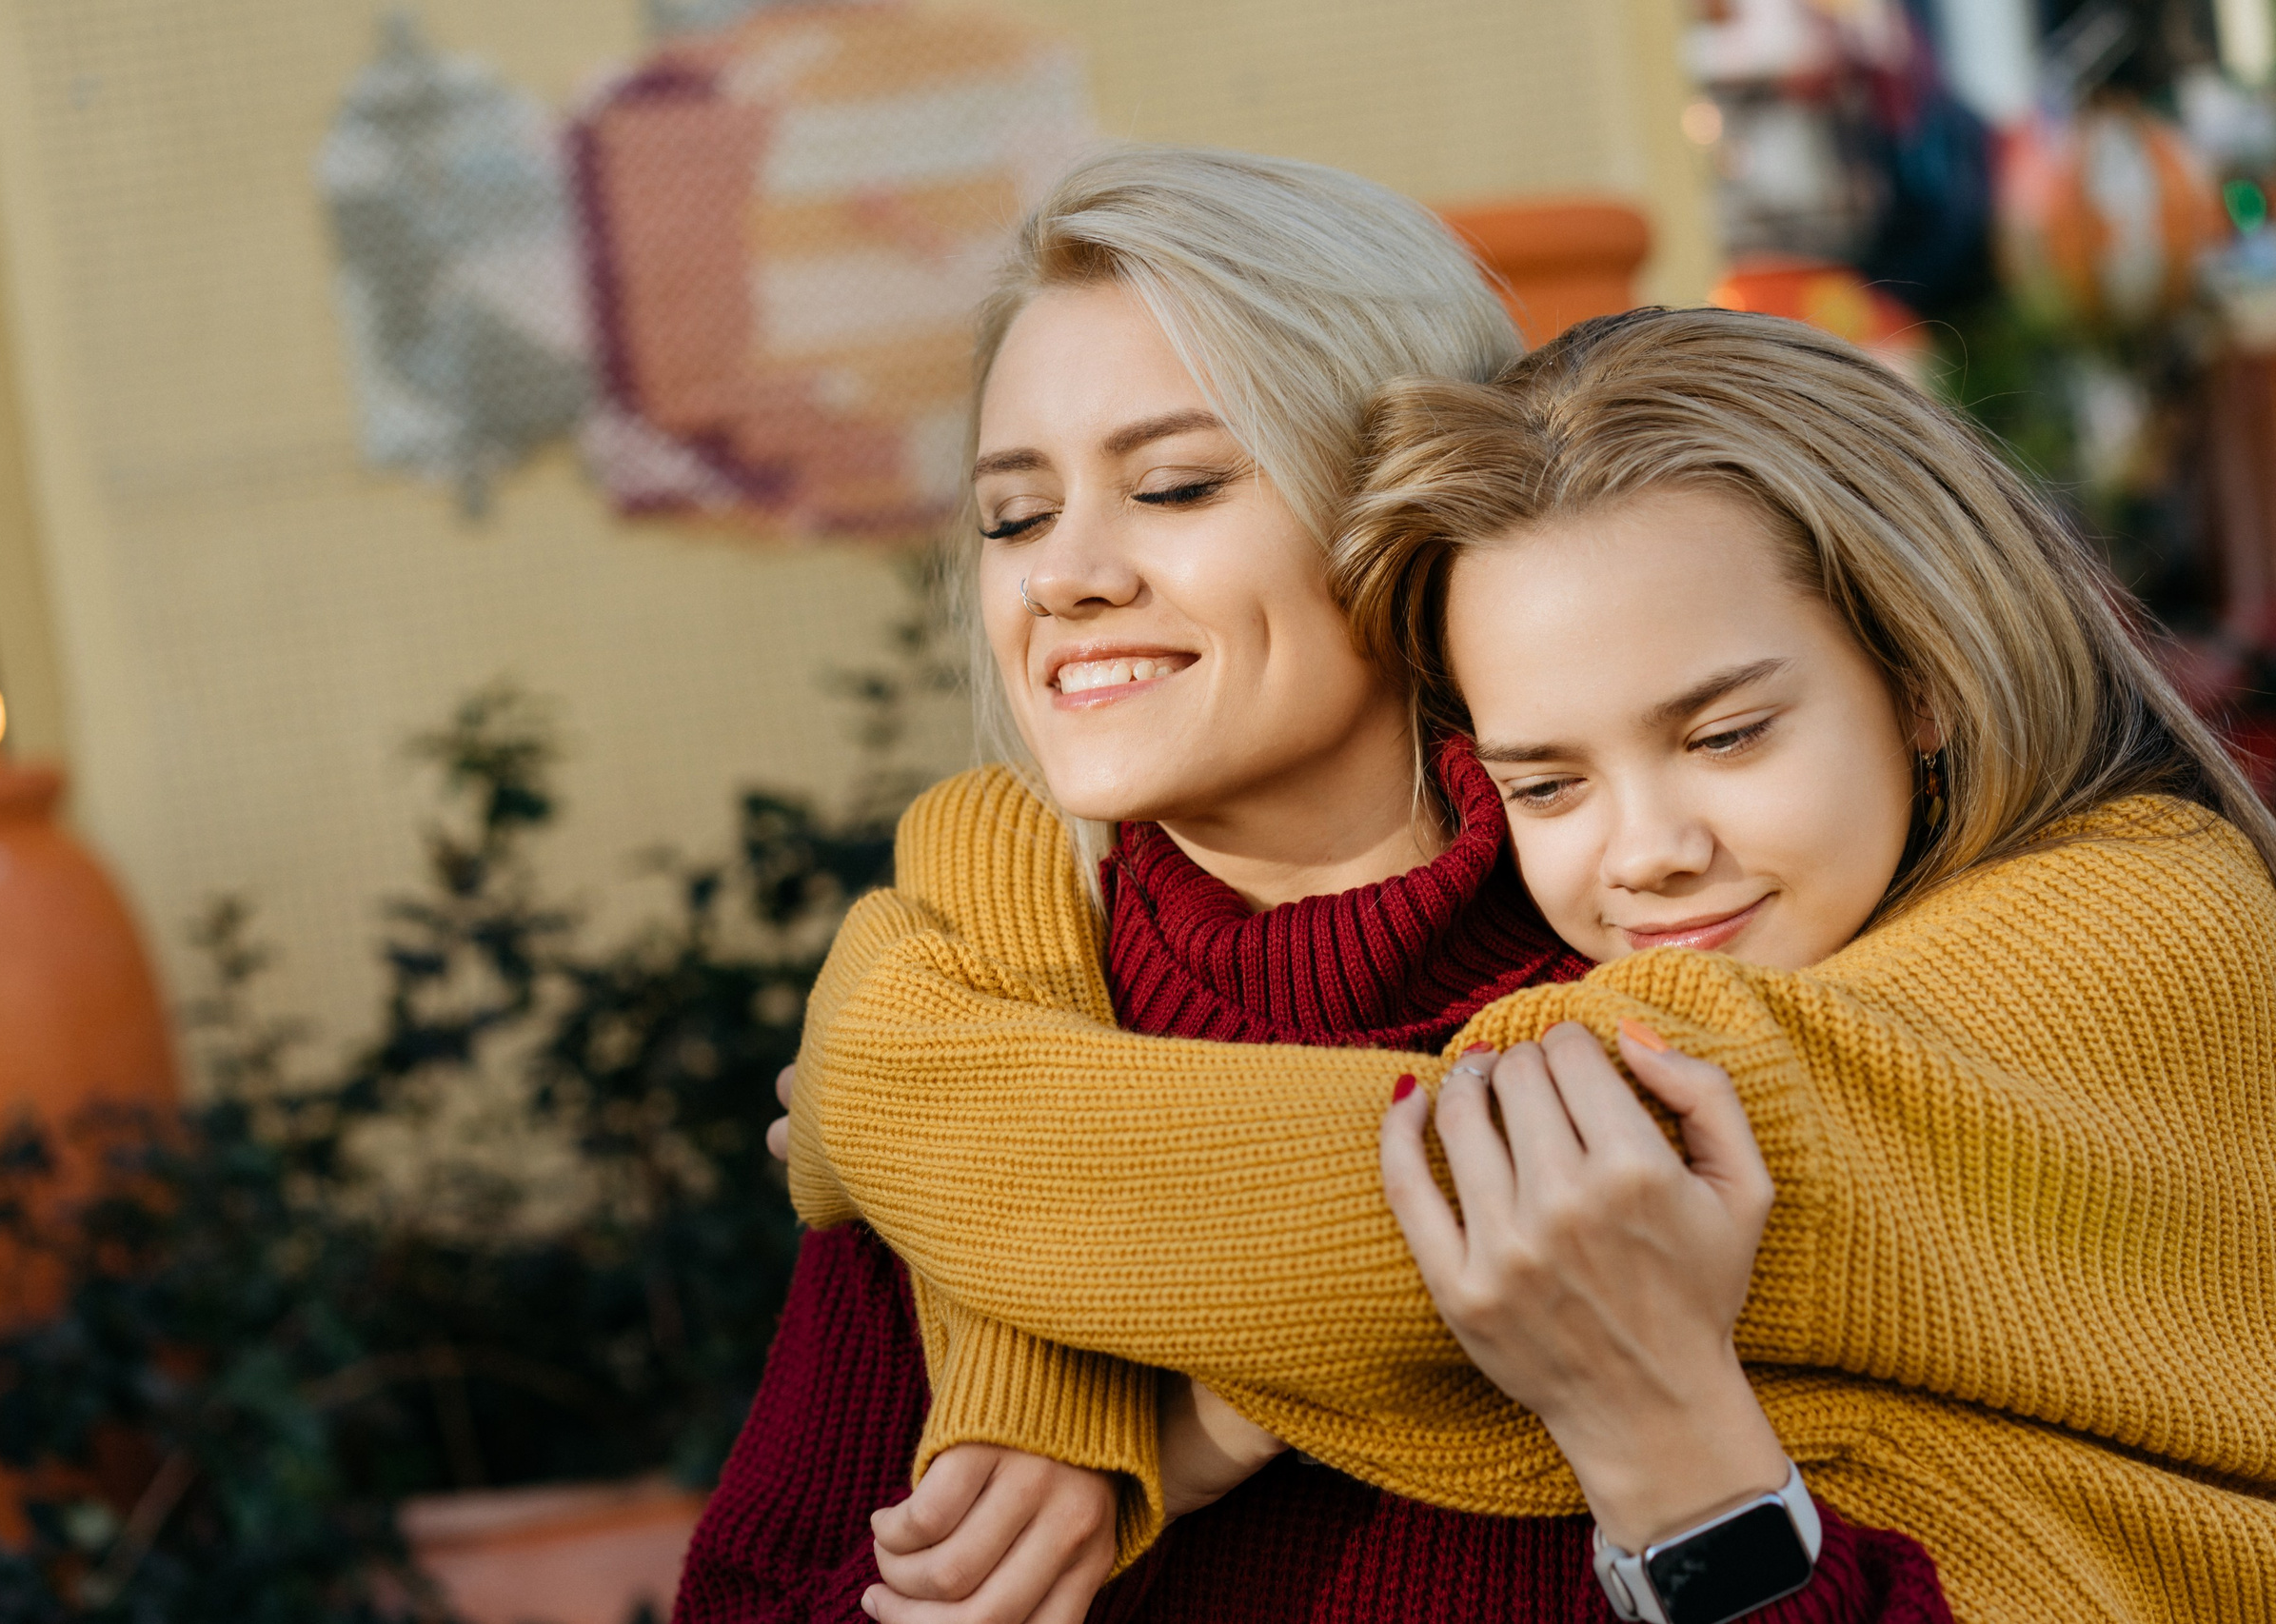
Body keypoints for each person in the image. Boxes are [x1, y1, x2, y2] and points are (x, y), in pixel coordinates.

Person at [785, 307, 2276, 1622]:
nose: (1650, 850)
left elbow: (1446, 1192)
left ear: (1927, 680)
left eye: (1727, 732)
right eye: (1550, 783)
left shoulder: (2142, 921)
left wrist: (883, 1067)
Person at [681, 148, 1947, 1624]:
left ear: (1404, 510)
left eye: (1174, 484)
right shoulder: (968, 1051)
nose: (1064, 576)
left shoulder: (1706, 967)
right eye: (1014, 515)